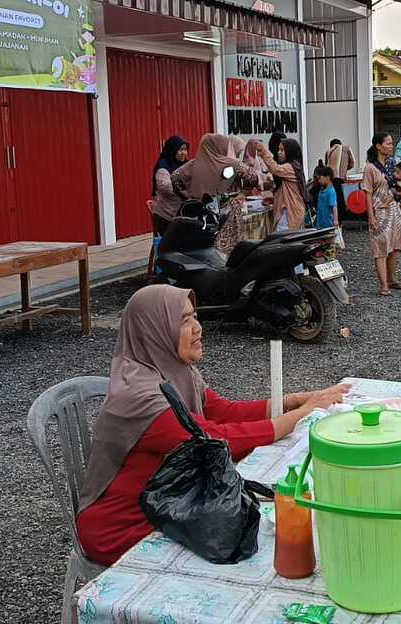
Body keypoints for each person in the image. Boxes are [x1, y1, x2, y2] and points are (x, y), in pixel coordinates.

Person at [75, 285, 349, 566]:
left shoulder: (173, 370)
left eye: (194, 317)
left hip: (173, 502)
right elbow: (214, 440)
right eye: (183, 321)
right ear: (153, 330)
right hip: (123, 526)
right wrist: (301, 415)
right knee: (252, 544)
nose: (197, 328)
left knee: (263, 529)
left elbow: (224, 412)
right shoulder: (139, 395)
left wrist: (295, 401)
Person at [363, 133, 401, 296]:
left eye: (391, 143)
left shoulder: (393, 165)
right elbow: (367, 193)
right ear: (378, 146)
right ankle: (383, 285)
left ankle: (392, 279)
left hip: (394, 210)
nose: (391, 146)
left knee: (395, 245)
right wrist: (370, 216)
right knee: (380, 247)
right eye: (387, 143)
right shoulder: (370, 168)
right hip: (379, 211)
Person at [254, 139, 307, 232]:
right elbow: (285, 191)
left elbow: (275, 169)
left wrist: (264, 152)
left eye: (282, 150)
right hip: (290, 211)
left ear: (290, 152)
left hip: (289, 212)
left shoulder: (291, 167)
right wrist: (274, 199)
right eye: (279, 150)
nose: (279, 153)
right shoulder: (294, 166)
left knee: (283, 240)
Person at [150, 135, 189, 236]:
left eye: (185, 149)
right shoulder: (163, 167)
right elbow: (166, 187)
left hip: (183, 212)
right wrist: (186, 190)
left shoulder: (187, 165)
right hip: (167, 215)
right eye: (181, 150)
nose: (184, 153)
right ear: (172, 150)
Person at [313, 166, 338, 230]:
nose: (318, 181)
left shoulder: (330, 191)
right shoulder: (322, 191)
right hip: (320, 223)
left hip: (328, 224)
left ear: (327, 177)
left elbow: (334, 207)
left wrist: (335, 220)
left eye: (319, 178)